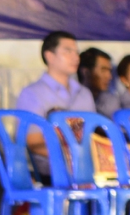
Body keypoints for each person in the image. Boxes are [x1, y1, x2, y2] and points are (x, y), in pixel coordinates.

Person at [14, 31, 93, 179]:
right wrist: (73, 155)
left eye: (77, 52)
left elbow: (91, 136)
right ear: (50, 56)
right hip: (50, 171)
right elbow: (33, 143)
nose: (76, 57)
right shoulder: (32, 93)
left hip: (87, 168)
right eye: (68, 51)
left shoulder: (84, 93)